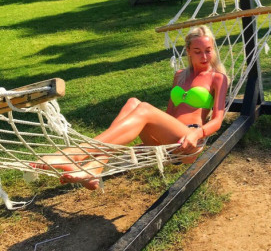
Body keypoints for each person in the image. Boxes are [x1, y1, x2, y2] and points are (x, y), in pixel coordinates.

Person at [33, 25, 228, 190]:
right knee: (133, 102)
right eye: (198, 51)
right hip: (169, 142)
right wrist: (151, 140)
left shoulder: (217, 78)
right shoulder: (180, 76)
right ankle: (95, 167)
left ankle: (76, 154)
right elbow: (169, 114)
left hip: (189, 142)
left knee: (144, 108)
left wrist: (197, 134)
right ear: (188, 51)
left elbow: (218, 120)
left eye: (208, 50)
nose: (204, 56)